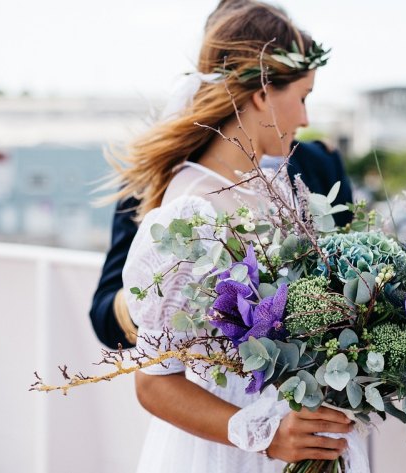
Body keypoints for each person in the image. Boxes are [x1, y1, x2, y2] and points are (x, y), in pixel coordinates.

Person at [106, 2, 362, 472]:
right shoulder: (190, 217)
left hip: (301, 441)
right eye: (303, 96)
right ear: (264, 92)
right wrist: (265, 436)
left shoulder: (280, 188)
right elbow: (155, 383)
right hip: (229, 454)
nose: (305, 118)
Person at [89, 2, 354, 351]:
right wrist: (170, 282)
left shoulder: (320, 164)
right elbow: (108, 317)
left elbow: (348, 272)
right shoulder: (160, 180)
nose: (305, 117)